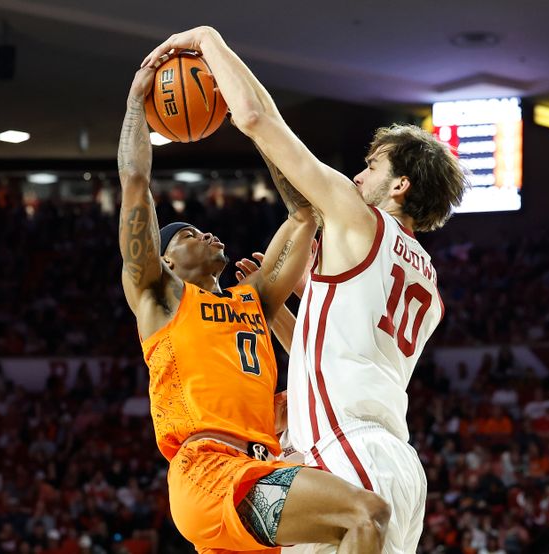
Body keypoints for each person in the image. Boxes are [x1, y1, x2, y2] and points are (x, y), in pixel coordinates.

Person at [143, 26, 467, 553]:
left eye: (372, 168)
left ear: (400, 185)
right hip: (396, 466)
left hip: (345, 451)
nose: (359, 179)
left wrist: (209, 42)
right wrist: (277, 317)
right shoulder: (427, 279)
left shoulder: (359, 221)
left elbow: (257, 120)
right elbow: (332, 355)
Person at [116, 65, 390, 554]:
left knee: (357, 525)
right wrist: (138, 103)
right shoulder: (160, 298)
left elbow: (304, 213)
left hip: (262, 465)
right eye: (187, 235)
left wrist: (256, 125)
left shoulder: (253, 300)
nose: (204, 233)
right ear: (165, 261)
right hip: (209, 469)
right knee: (365, 514)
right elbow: (136, 182)